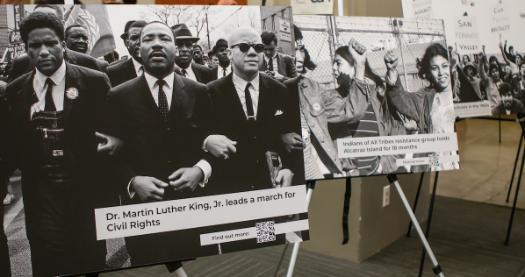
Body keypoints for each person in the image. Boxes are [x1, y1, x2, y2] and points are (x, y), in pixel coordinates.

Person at [4, 12, 112, 276]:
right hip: (41, 199)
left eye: (50, 43)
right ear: (26, 49)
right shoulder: (16, 91)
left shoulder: (94, 82)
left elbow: (112, 133)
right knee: (47, 263)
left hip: (85, 195)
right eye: (34, 46)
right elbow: (11, 147)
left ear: (62, 44)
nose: (43, 51)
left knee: (91, 260)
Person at [103, 21, 215, 267]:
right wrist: (132, 181)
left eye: (164, 38)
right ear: (137, 48)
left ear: (175, 48)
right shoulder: (118, 96)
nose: (155, 44)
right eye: (148, 39)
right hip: (143, 213)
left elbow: (215, 146)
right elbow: (109, 156)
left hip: (192, 208)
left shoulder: (201, 92)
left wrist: (200, 170)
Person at [204, 27, 294, 192]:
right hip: (229, 186)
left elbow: (289, 135)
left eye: (258, 48)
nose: (253, 52)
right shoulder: (211, 92)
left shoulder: (279, 90)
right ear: (230, 54)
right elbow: (201, 134)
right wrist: (206, 141)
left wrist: (288, 168)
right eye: (245, 47)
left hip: (271, 184)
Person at [324, 39, 403, 176]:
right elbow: (353, 111)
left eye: (338, 63)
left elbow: (396, 130)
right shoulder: (332, 98)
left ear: (354, 64)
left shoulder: (375, 98)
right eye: (333, 63)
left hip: (376, 173)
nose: (334, 68)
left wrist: (386, 163)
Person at [385, 43, 457, 170]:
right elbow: (401, 99)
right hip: (436, 160)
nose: (441, 73)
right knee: (437, 180)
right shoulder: (425, 97)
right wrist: (392, 70)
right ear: (429, 72)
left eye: (444, 66)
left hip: (458, 157)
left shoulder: (458, 93)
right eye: (435, 68)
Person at [283, 42, 349, 180]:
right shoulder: (274, 89)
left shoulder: (313, 88)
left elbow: (349, 110)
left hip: (312, 159)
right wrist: (280, 137)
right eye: (294, 63)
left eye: (300, 65)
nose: (296, 69)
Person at [7, 4, 107, 81]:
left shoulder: (91, 64)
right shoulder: (21, 63)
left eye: (49, 21)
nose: (42, 27)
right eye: (36, 21)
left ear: (63, 25)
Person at [106, 20, 147, 87]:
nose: (139, 42)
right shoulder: (113, 73)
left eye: (145, 37)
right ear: (127, 43)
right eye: (134, 38)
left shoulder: (163, 69)